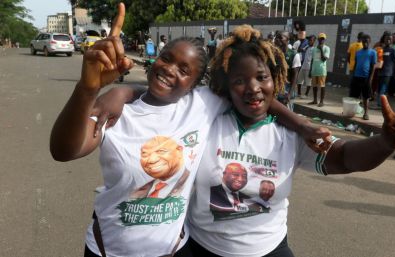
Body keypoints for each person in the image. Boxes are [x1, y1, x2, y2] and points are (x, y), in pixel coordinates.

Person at [50, 5, 331, 256]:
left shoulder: (202, 104)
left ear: (196, 84)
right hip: (109, 249)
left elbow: (258, 98)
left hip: (174, 249)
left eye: (184, 70)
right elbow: (64, 151)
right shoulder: (120, 112)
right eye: (166, 58)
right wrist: (90, 89)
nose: (170, 70)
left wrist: (301, 124)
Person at [186, 25, 395, 257]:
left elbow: (345, 157)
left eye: (261, 77)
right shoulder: (207, 121)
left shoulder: (292, 132)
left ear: (274, 78)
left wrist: (384, 142)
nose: (253, 88)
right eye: (239, 81)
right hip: (202, 246)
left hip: (268, 249)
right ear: (226, 86)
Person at [349, 34, 377, 120]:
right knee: (354, 96)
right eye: (364, 41)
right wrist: (353, 75)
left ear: (369, 42)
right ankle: (351, 112)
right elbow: (356, 64)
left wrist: (370, 78)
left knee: (366, 97)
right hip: (356, 76)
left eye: (367, 42)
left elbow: (373, 66)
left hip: (366, 78)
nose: (365, 43)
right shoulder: (358, 52)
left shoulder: (373, 52)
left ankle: (366, 113)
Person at [274, 31, 301, 108]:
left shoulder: (294, 55)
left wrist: (289, 94)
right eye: (276, 37)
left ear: (287, 40)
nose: (277, 39)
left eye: (280, 38)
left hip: (286, 90)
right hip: (275, 89)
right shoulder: (273, 54)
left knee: (286, 116)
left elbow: (295, 76)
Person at [373, 31, 395, 109]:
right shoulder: (381, 49)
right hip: (380, 72)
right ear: (383, 39)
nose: (388, 40)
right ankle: (379, 104)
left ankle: (380, 105)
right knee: (379, 89)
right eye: (387, 39)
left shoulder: (393, 50)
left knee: (383, 89)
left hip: (387, 73)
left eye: (390, 39)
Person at [308, 33, 330, 107]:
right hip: (314, 70)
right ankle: (315, 100)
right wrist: (310, 70)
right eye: (320, 38)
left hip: (322, 71)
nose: (322, 40)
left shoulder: (327, 48)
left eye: (323, 39)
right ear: (318, 39)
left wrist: (321, 49)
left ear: (324, 40)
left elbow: (324, 59)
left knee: (322, 86)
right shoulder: (314, 49)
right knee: (314, 86)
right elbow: (312, 60)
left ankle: (321, 101)